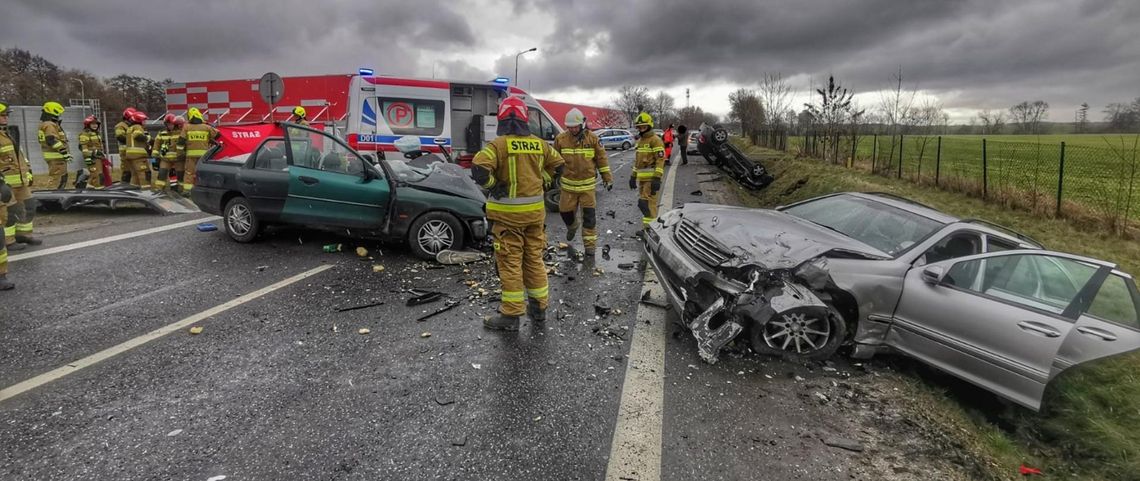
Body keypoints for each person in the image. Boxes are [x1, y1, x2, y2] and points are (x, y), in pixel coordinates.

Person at [472, 95, 564, 331]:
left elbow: (479, 170)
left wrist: (494, 186)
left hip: (507, 218)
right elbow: (559, 166)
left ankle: (511, 316)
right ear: (525, 118)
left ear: (502, 118)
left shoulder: (498, 146)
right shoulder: (540, 144)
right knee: (534, 261)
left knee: (511, 263)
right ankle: (539, 311)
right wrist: (544, 179)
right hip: (535, 216)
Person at [553, 108, 611, 256]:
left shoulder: (592, 139)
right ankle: (572, 226)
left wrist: (607, 178)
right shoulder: (561, 139)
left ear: (582, 124)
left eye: (575, 126)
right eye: (569, 127)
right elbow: (553, 160)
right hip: (568, 187)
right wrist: (550, 177)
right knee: (565, 213)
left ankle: (590, 247)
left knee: (589, 219)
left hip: (587, 188)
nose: (572, 129)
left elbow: (601, 159)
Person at [0, 102, 40, 251]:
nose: (6, 118)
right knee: (11, 211)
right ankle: (9, 241)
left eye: (6, 115)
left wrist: (28, 171)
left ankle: (24, 234)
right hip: (5, 184)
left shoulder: (8, 133)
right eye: (2, 116)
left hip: (20, 180)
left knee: (29, 206)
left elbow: (20, 156)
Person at [629, 112, 665, 232]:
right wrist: (633, 177)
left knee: (647, 205)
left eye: (644, 127)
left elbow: (660, 160)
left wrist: (657, 178)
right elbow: (637, 161)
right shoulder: (640, 141)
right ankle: (647, 230)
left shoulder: (655, 140)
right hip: (642, 180)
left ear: (649, 126)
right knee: (646, 207)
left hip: (651, 180)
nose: (641, 129)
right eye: (639, 127)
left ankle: (652, 231)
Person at [179, 107, 219, 195]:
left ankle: (187, 191)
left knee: (189, 172)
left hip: (191, 156)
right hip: (204, 156)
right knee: (204, 172)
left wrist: (180, 152)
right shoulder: (206, 127)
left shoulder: (187, 127)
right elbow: (218, 134)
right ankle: (205, 190)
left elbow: (181, 141)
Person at [38, 101, 73, 190]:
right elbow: (51, 140)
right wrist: (64, 152)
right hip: (56, 158)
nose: (59, 116)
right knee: (56, 180)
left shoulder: (47, 124)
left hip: (56, 158)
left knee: (61, 179)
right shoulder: (49, 125)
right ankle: (51, 199)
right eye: (58, 114)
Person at [152, 114, 185, 191]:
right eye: (168, 124)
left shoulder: (181, 133)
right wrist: (155, 158)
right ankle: (158, 190)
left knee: (180, 176)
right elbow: (156, 146)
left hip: (178, 159)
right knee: (161, 174)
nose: (170, 126)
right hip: (165, 159)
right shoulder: (162, 133)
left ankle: (181, 191)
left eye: (171, 124)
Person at [122, 110, 152, 188]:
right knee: (144, 175)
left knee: (135, 176)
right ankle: (146, 192)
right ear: (139, 120)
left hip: (130, 156)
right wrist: (148, 138)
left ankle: (133, 193)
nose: (145, 122)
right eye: (144, 120)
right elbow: (138, 136)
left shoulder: (130, 128)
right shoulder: (138, 127)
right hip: (138, 157)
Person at [78, 115, 106, 189]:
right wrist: (88, 159)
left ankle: (86, 187)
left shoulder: (97, 133)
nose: (95, 125)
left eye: (96, 124)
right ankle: (98, 190)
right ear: (88, 125)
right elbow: (84, 148)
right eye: (93, 124)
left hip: (98, 157)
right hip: (92, 157)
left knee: (95, 174)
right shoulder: (85, 134)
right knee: (97, 175)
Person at [114, 108, 136, 183]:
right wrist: (132, 139)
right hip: (125, 151)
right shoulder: (120, 126)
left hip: (133, 151)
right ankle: (124, 186)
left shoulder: (132, 126)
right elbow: (120, 137)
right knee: (126, 171)